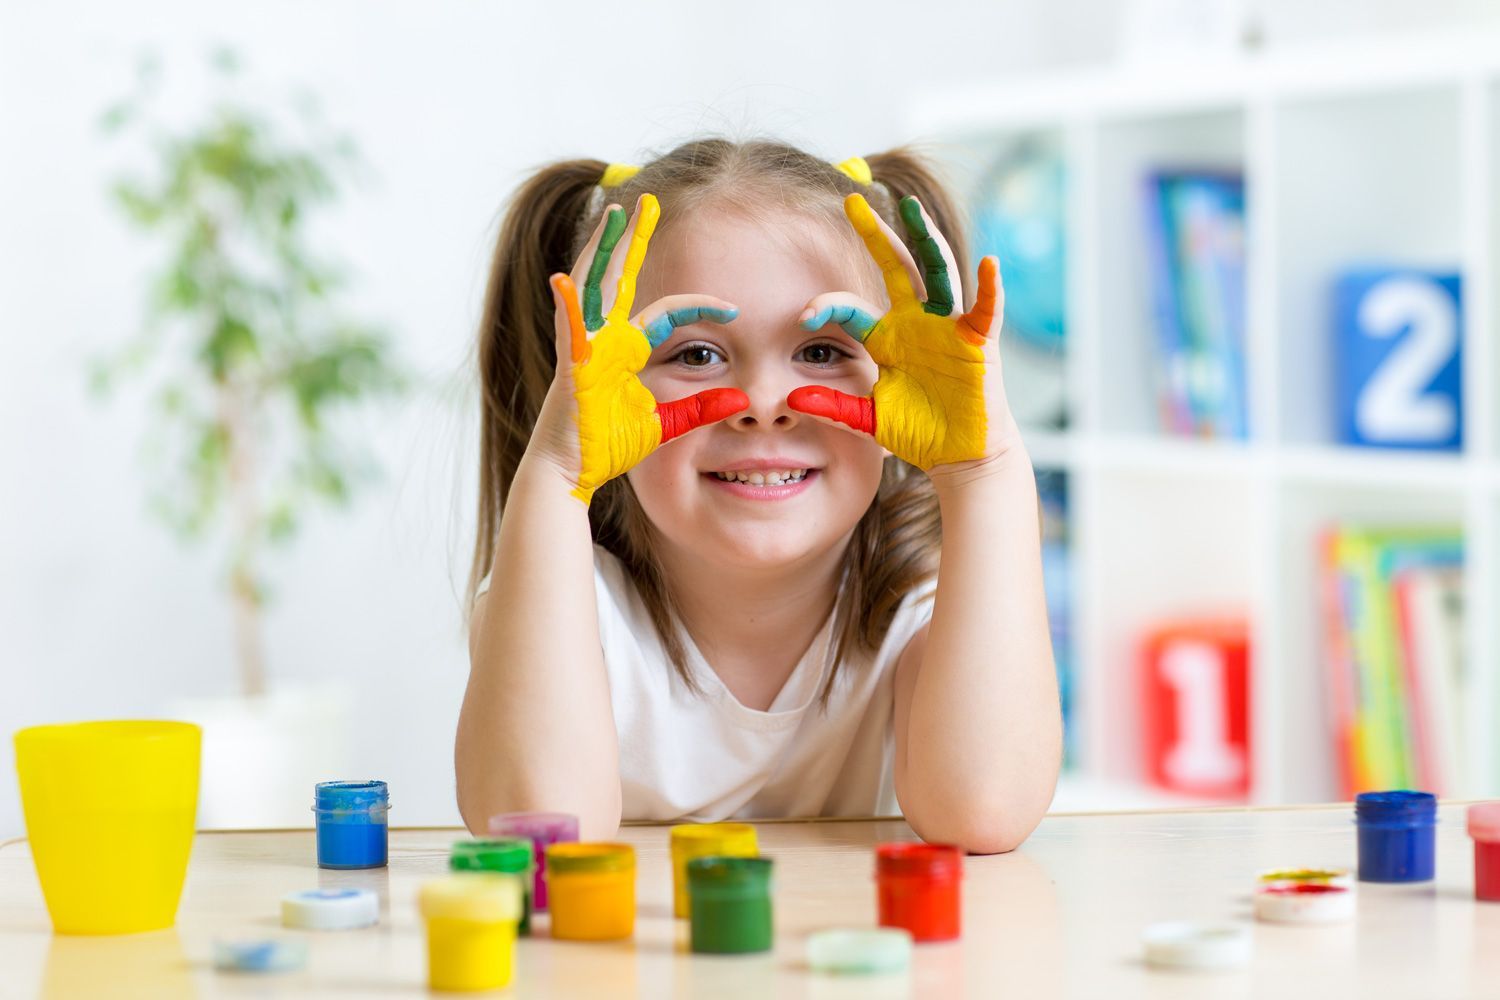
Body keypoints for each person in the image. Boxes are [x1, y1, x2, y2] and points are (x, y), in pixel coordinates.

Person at [457, 139, 1060, 854]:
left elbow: (983, 811)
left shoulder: (927, 602)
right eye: (695, 354)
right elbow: (537, 831)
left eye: (823, 351)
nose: (764, 403)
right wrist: (558, 475)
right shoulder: (560, 595)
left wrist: (983, 468)